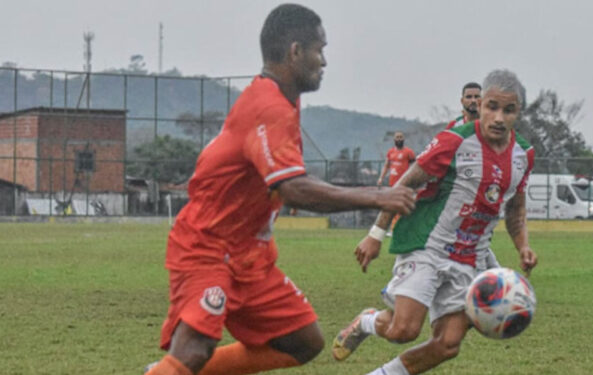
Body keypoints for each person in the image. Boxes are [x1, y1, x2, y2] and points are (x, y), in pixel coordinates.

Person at [145, 4, 415, 375]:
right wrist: (377, 195)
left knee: (304, 341)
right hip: (208, 247)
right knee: (194, 346)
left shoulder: (283, 100)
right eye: (320, 49)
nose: (324, 61)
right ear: (295, 52)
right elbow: (293, 189)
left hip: (249, 255)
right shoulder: (268, 106)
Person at [332, 70, 538, 375]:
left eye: (508, 110)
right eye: (491, 107)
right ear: (479, 104)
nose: (498, 117)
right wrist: (376, 234)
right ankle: (365, 322)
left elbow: (515, 209)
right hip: (428, 246)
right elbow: (405, 182)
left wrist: (523, 246)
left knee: (447, 344)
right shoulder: (454, 141)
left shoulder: (524, 154)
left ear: (518, 112)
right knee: (404, 330)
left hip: (472, 257)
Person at [376, 132, 416, 236]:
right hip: (392, 183)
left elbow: (414, 167)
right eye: (397, 137)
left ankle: (401, 228)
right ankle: (394, 228)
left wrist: (412, 179)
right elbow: (386, 166)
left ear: (404, 139)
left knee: (402, 206)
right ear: (394, 140)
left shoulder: (409, 152)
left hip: (404, 183)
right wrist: (381, 178)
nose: (399, 139)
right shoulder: (390, 152)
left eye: (401, 137)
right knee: (393, 206)